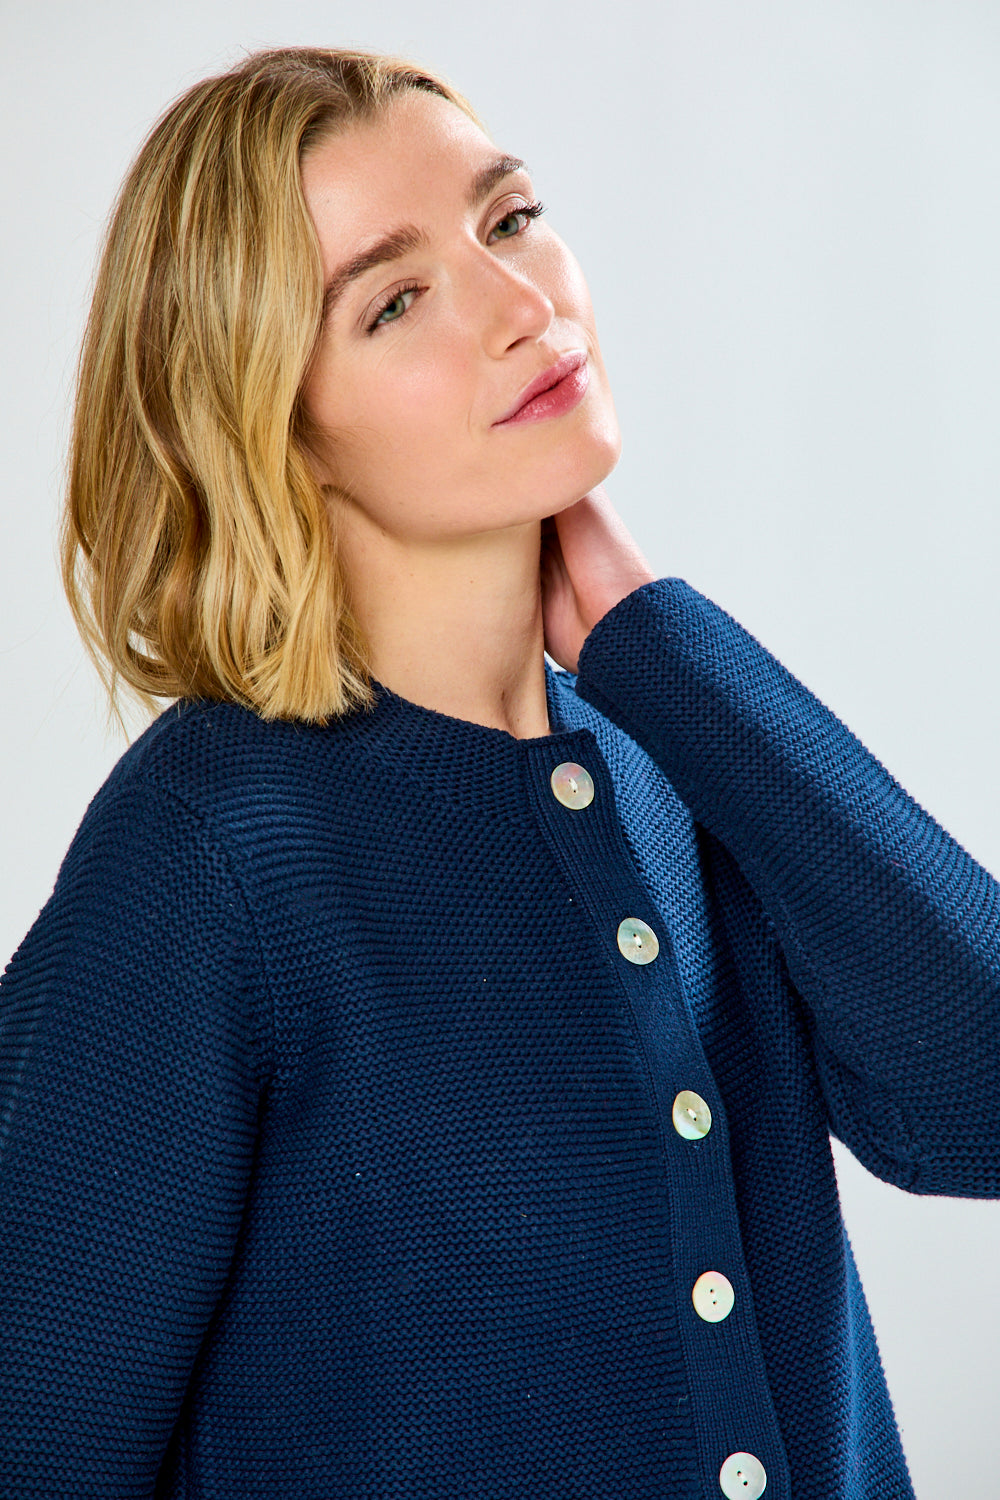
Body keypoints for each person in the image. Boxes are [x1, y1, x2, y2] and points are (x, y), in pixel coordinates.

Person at [0, 44, 997, 1500]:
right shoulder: (208, 850)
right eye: (395, 302)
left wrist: (672, 658)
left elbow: (975, 1099)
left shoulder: (685, 743)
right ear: (273, 424)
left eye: (511, 218)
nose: (524, 310)